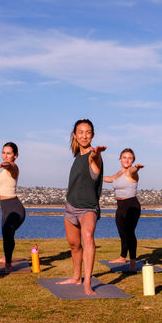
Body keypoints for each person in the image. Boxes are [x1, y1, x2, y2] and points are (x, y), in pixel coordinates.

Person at [58, 119, 106, 295]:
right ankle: (77, 277)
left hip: (88, 208)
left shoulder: (95, 156)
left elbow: (94, 162)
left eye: (88, 132)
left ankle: (87, 282)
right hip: (71, 206)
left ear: (92, 135)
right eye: (80, 132)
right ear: (75, 135)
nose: (84, 135)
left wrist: (96, 153)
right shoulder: (77, 157)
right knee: (73, 245)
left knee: (88, 237)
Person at [103, 148, 144, 272]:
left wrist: (136, 168)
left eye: (130, 158)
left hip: (131, 205)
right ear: (120, 159)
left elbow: (133, 170)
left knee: (130, 233)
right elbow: (109, 178)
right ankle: (122, 257)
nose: (127, 160)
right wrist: (94, 176)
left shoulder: (131, 173)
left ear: (133, 160)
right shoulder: (118, 173)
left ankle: (132, 262)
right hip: (120, 206)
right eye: (124, 157)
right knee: (122, 233)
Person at [0, 142, 26, 272]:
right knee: (6, 234)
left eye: (9, 153)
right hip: (6, 208)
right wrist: (4, 166)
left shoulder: (13, 168)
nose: (5, 156)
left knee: (7, 233)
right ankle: (6, 258)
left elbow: (10, 166)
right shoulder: (3, 170)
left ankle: (8, 264)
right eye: (3, 152)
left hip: (14, 208)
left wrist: (7, 164)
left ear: (15, 155)